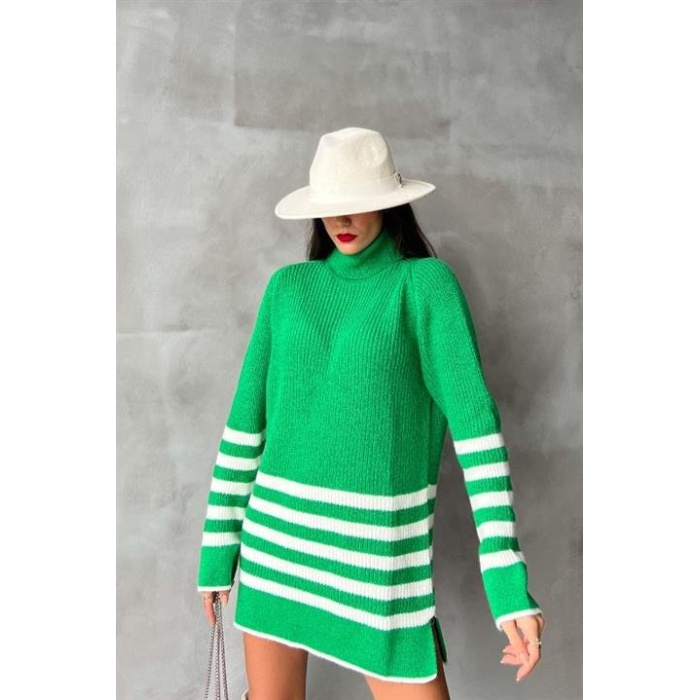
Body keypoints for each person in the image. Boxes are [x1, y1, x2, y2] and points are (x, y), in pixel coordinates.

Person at [197, 127, 545, 700]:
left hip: (375, 568)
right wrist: (218, 553)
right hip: (275, 551)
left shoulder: (422, 286)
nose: (343, 219)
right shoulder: (288, 289)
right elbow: (244, 429)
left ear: (390, 203)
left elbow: (478, 438)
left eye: (359, 202)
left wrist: (509, 589)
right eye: (331, 205)